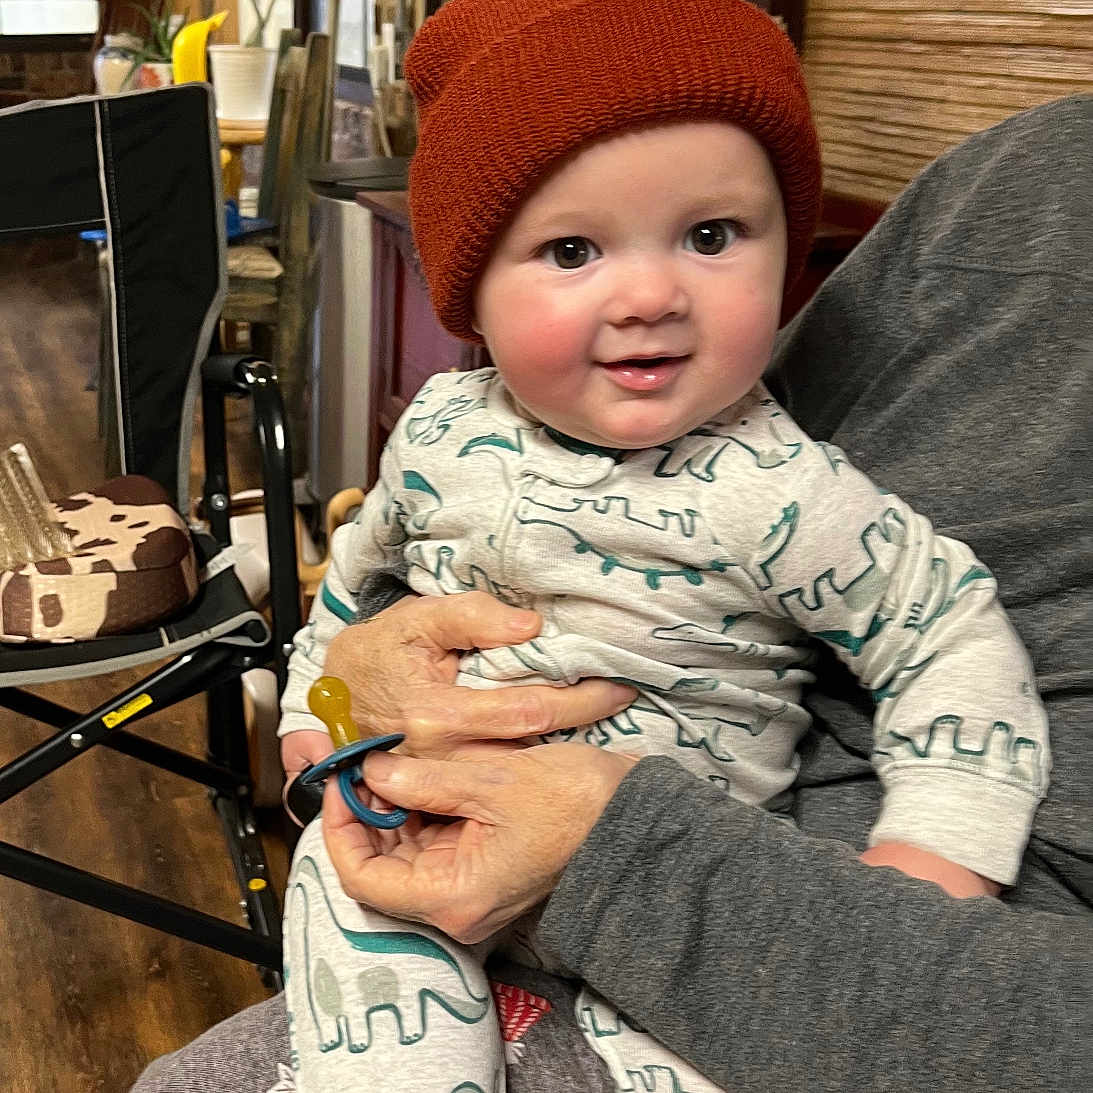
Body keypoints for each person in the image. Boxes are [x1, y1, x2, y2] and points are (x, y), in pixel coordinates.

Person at [130, 84, 1092, 1093]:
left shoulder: (788, 494)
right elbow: (360, 571)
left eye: (711, 234)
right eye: (573, 251)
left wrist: (931, 857)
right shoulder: (439, 430)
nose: (649, 297)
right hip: (403, 849)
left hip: (680, 922)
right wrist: (315, 702)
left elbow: (948, 636)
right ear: (468, 290)